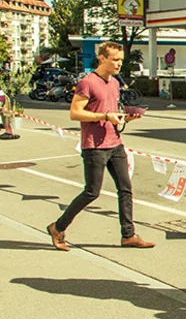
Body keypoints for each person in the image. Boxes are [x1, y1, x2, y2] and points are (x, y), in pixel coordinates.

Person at [46, 42, 152, 251]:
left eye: (121, 60)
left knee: (126, 189)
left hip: (115, 142)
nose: (119, 64)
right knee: (92, 192)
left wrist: (125, 118)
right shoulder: (88, 82)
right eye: (115, 59)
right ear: (102, 58)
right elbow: (75, 113)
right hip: (94, 145)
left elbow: (112, 113)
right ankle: (58, 227)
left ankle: (128, 235)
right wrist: (104, 116)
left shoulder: (114, 83)